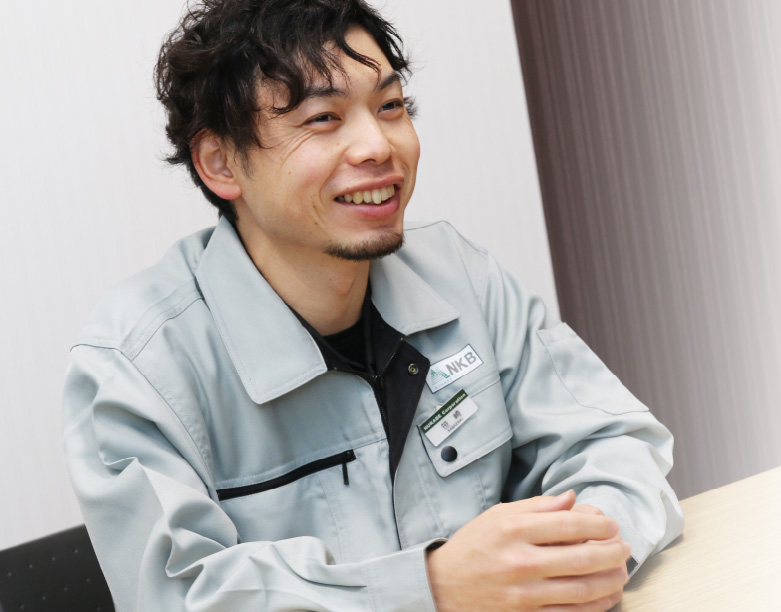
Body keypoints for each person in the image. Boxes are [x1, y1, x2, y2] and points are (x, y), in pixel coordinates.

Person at [62, 1, 684, 610]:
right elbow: (179, 595)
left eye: (390, 107)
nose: (378, 146)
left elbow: (615, 444)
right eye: (323, 118)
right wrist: (431, 590)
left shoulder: (460, 274)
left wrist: (574, 564)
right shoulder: (136, 368)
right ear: (221, 163)